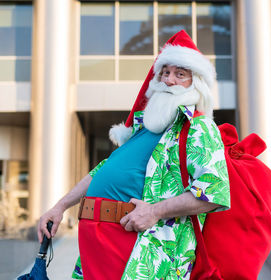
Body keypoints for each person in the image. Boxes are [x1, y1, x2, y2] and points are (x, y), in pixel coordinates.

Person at [37, 30, 230, 280]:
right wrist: (60, 206)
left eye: (180, 74)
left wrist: (154, 211)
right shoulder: (144, 127)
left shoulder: (198, 127)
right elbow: (102, 172)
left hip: (136, 251)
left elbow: (215, 192)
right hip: (97, 246)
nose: (169, 80)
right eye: (165, 72)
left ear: (196, 83)